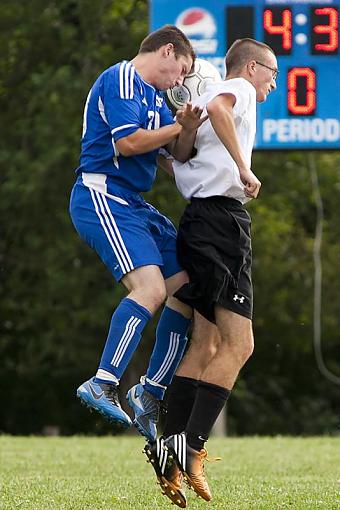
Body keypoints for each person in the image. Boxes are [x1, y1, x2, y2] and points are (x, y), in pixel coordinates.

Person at [143, 38, 277, 508]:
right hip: (221, 222)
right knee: (241, 344)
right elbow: (222, 106)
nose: (273, 84)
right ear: (253, 67)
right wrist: (244, 168)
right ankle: (193, 444)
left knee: (205, 344)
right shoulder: (234, 87)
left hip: (199, 222)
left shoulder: (196, 100)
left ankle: (168, 447)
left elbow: (178, 157)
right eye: (272, 73)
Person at [69, 25, 207, 442]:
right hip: (103, 195)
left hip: (135, 203)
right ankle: (102, 382)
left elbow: (176, 153)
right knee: (150, 289)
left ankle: (149, 391)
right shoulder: (121, 79)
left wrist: (186, 129)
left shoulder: (154, 97)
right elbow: (130, 144)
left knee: (186, 290)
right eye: (181, 71)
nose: (179, 82)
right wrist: (177, 127)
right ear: (167, 52)